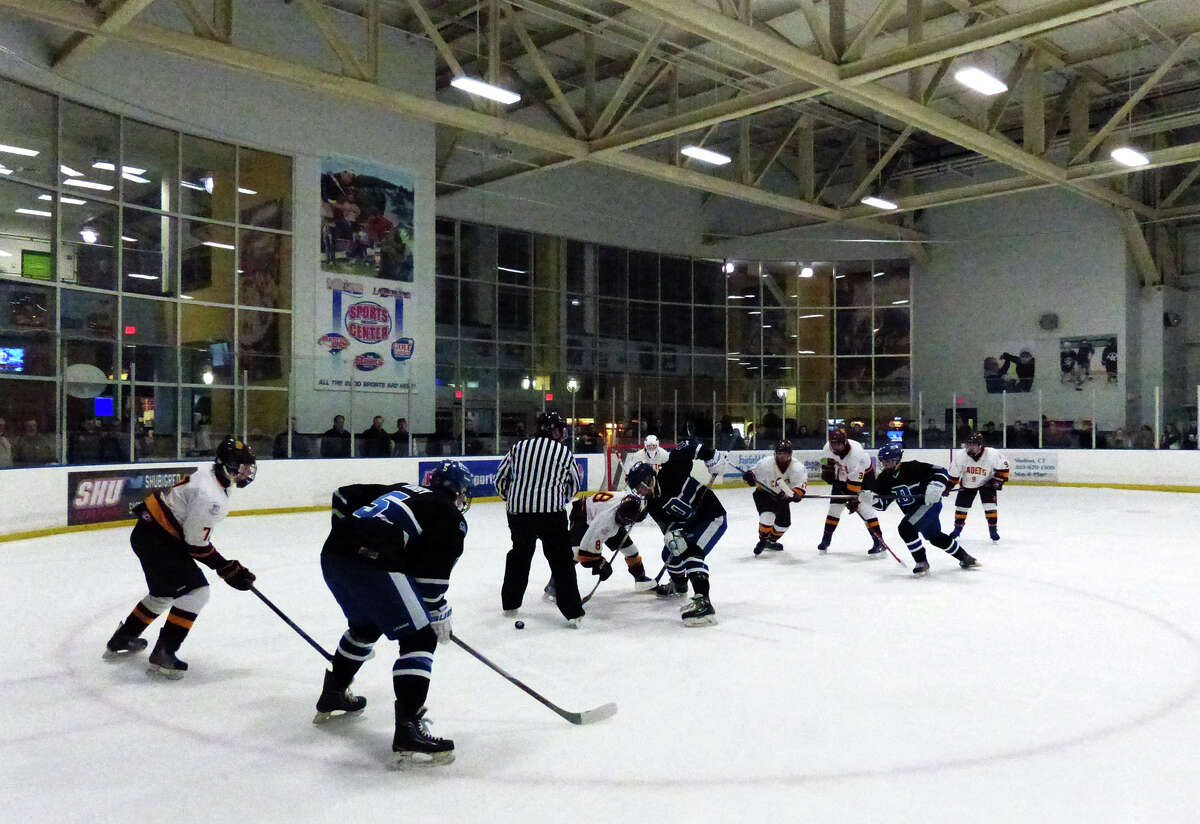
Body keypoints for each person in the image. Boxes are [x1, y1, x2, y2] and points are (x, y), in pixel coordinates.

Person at [314, 460, 473, 767]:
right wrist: (439, 612)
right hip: (369, 564)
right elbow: (430, 585)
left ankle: (333, 692)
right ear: (458, 491)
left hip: (332, 555)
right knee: (420, 636)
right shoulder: (450, 516)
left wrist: (353, 537)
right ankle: (408, 729)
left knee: (365, 626)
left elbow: (343, 495)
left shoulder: (404, 489)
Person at [102, 438, 258, 677]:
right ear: (227, 465)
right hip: (157, 540)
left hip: (150, 534)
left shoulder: (212, 475)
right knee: (196, 592)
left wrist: (224, 566)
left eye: (249, 466)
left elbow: (192, 540)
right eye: (242, 465)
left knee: (163, 594)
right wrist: (225, 567)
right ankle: (164, 654)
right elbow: (195, 545)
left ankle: (122, 639)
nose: (247, 471)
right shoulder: (211, 497)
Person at [496, 411, 586, 627]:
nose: (563, 433)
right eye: (560, 428)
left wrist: (514, 500)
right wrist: (559, 498)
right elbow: (574, 484)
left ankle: (510, 603)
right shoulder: (563, 452)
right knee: (561, 561)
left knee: (519, 555)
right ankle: (573, 612)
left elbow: (500, 479)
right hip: (551, 515)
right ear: (552, 429)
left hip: (518, 514)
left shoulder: (518, 448)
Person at [547, 462, 658, 601]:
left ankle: (640, 578)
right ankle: (554, 585)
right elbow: (586, 551)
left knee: (631, 550)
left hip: (608, 514)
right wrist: (599, 564)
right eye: (647, 483)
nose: (651, 486)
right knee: (574, 553)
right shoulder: (607, 521)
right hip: (584, 515)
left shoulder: (633, 499)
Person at [646, 440, 728, 626]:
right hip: (691, 524)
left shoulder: (669, 472)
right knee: (669, 551)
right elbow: (668, 526)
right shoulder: (652, 504)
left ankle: (703, 601)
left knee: (691, 551)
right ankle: (680, 584)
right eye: (639, 487)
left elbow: (686, 447)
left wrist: (710, 455)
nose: (643, 489)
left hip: (712, 517)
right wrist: (674, 535)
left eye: (644, 483)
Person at [865, 443, 978, 577]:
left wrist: (936, 484)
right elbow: (882, 505)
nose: (886, 465)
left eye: (889, 461)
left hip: (928, 504)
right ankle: (965, 557)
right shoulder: (884, 479)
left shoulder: (913, 467)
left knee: (906, 528)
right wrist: (870, 499)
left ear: (897, 460)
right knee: (935, 537)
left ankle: (921, 562)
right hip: (913, 512)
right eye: (884, 462)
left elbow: (940, 470)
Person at [817, 428, 887, 556]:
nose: (835, 447)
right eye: (833, 444)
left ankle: (879, 541)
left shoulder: (856, 455)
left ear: (845, 442)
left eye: (838, 444)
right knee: (834, 509)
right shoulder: (828, 447)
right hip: (843, 476)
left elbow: (855, 485)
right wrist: (827, 470)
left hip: (865, 479)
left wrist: (854, 500)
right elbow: (824, 460)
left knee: (865, 509)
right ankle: (826, 539)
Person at [742, 440, 808, 555]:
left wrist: (795, 495)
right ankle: (762, 540)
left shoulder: (797, 468)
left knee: (784, 524)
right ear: (775, 453)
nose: (781, 456)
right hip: (764, 494)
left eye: (784, 453)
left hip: (781, 497)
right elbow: (753, 476)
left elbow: (799, 488)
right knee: (768, 515)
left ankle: (770, 541)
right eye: (779, 453)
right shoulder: (765, 463)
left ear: (790, 454)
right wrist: (749, 477)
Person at [946, 432, 1010, 541]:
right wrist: (947, 487)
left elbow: (1004, 468)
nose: (969, 447)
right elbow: (954, 474)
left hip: (987, 483)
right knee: (961, 507)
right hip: (968, 483)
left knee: (990, 506)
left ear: (980, 445)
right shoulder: (960, 455)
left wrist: (997, 481)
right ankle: (957, 529)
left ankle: (993, 529)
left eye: (973, 445)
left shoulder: (992, 454)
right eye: (968, 444)